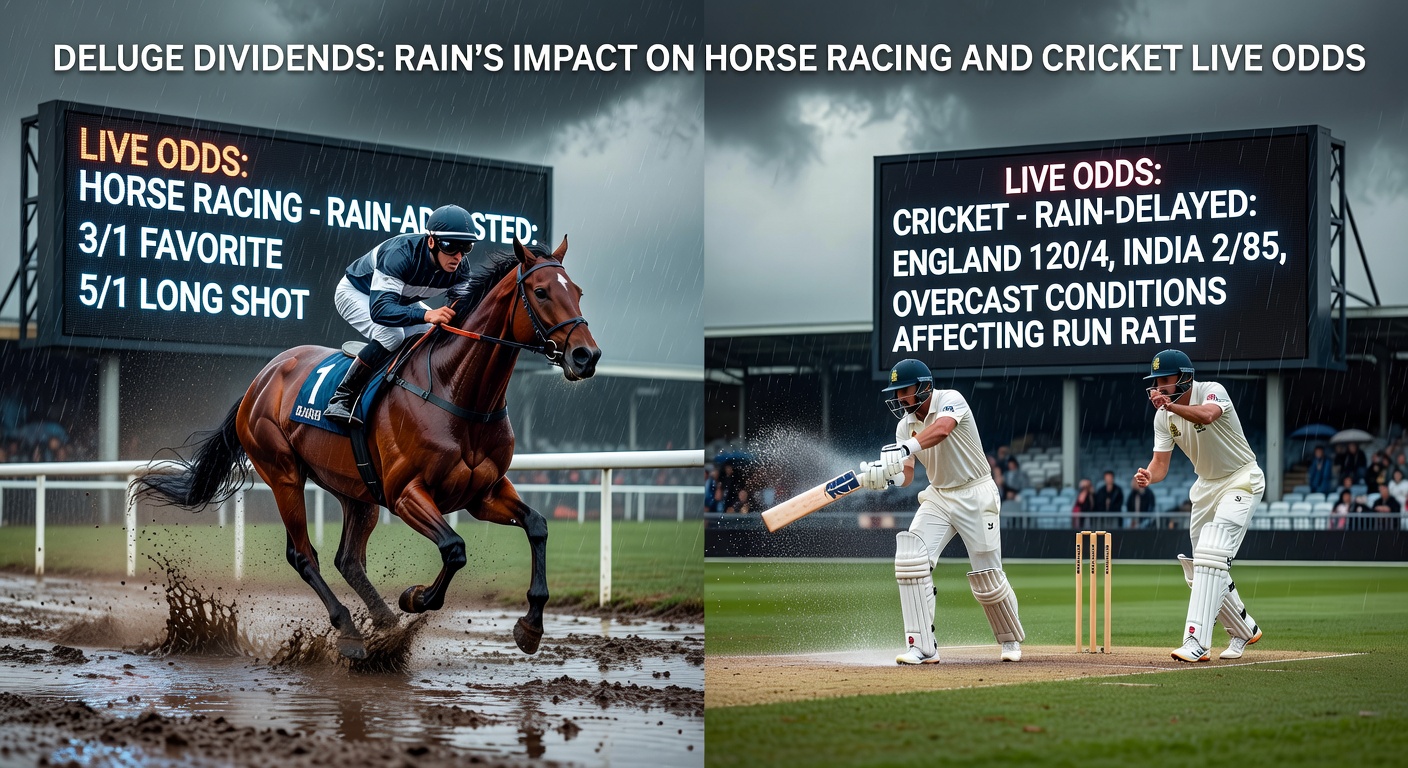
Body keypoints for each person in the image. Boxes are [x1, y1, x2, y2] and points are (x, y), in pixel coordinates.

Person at [859, 358, 1025, 664]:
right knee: (911, 558)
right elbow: (908, 474)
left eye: (904, 390)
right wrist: (886, 477)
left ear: (924, 387)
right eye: (896, 392)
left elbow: (942, 430)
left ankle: (1010, 640)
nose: (899, 398)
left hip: (976, 492)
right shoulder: (904, 426)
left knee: (988, 574)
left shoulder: (951, 399)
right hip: (939, 496)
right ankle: (922, 647)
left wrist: (906, 448)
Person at [1132, 349, 1264, 662]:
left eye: (1165, 380)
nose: (1159, 387)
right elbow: (1160, 464)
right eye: (1156, 382)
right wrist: (1149, 475)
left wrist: (1170, 405)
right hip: (1205, 486)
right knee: (1199, 569)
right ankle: (1244, 628)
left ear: (1184, 377)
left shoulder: (1212, 390)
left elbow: (1206, 415)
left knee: (1212, 554)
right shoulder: (1163, 417)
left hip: (1241, 477)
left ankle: (1196, 641)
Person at [323, 205, 481, 428]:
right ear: (431, 241)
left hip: (400, 299)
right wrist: (426, 314)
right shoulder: (399, 254)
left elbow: (464, 310)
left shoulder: (460, 268)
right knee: (392, 336)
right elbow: (381, 310)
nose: (457, 256)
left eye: (466, 247)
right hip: (358, 293)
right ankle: (342, 397)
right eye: (450, 246)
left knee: (433, 336)